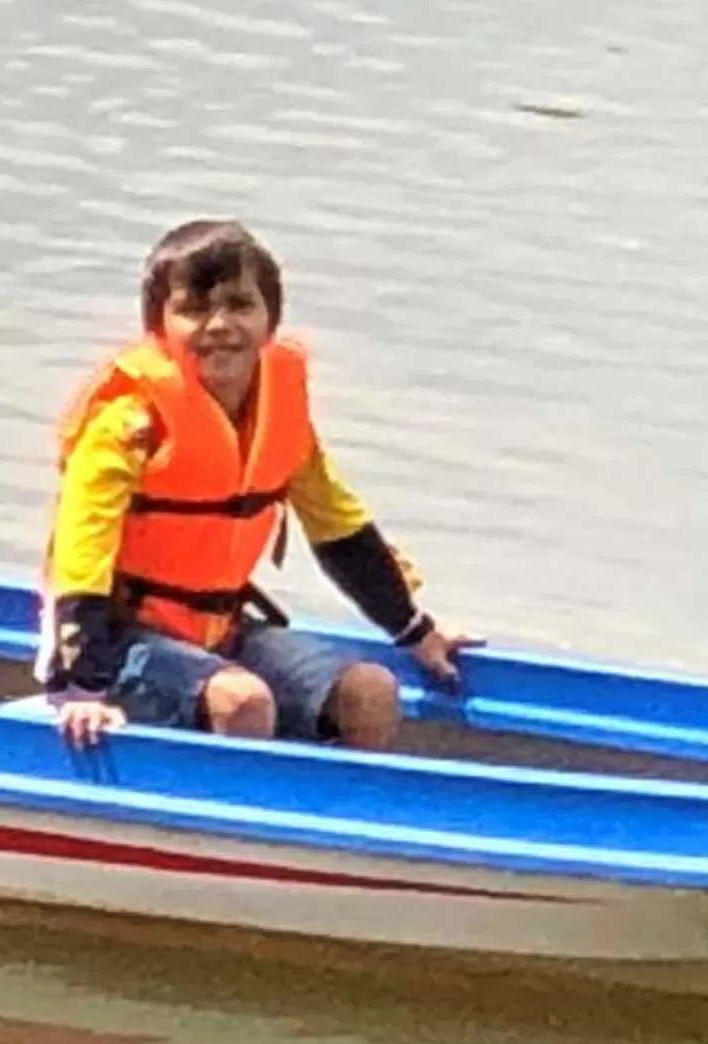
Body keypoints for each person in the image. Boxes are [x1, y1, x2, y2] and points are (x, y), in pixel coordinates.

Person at [43, 218, 470, 748]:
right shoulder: (128, 424)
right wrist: (83, 684)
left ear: (270, 321)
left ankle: (328, 826)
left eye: (240, 305)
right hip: (118, 639)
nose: (219, 325)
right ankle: (209, 826)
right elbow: (82, 555)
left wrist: (416, 631)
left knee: (372, 691)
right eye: (194, 310)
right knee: (243, 702)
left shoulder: (282, 416)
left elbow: (339, 526)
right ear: (159, 326)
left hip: (222, 630)